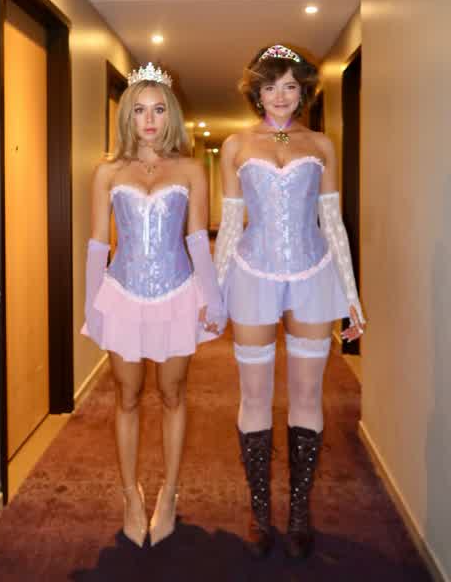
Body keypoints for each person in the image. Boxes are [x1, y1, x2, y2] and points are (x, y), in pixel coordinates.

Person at [214, 45, 365, 559]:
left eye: (290, 86)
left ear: (303, 92)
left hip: (312, 273)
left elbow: (333, 223)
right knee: (254, 395)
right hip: (253, 272)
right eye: (270, 86)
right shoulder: (236, 145)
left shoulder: (321, 145)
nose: (280, 96)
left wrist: (352, 297)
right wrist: (215, 290)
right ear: (256, 92)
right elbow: (230, 225)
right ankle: (261, 513)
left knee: (307, 394)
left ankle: (299, 512)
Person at [81, 62, 225, 547]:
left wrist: (213, 299)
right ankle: (130, 495)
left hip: (177, 294)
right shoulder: (107, 172)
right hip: (122, 295)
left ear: (171, 115)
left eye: (158, 109)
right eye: (140, 110)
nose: (149, 119)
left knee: (173, 392)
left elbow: (198, 239)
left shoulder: (189, 169)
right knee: (126, 395)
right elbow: (98, 245)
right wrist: (92, 307)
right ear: (127, 115)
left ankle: (170, 493)